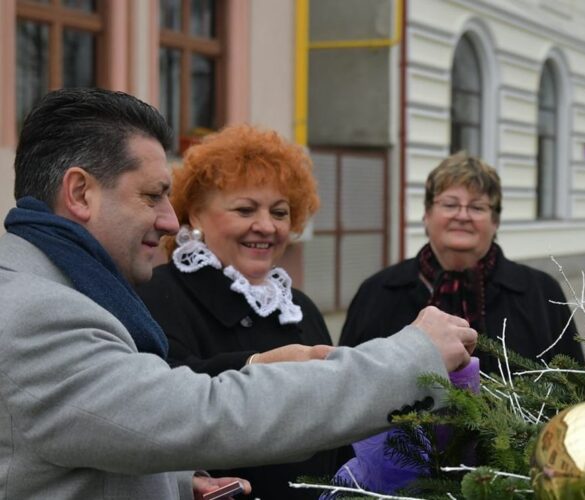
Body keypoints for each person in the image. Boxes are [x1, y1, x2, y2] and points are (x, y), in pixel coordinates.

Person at [0, 87, 477, 499]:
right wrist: (412, 357)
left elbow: (107, 433)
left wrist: (176, 484)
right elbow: (205, 414)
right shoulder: (42, 313)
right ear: (80, 193)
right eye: (151, 196)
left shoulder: (67, 291)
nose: (168, 220)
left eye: (280, 211)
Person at [136, 124, 340, 499]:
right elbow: (160, 407)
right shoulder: (157, 295)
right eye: (245, 209)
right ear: (195, 215)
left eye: (280, 212)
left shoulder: (299, 307)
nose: (266, 226)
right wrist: (257, 365)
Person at [339, 152, 584, 369]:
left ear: (495, 221)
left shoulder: (541, 294)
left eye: (477, 207)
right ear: (427, 214)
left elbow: (573, 392)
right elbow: (349, 383)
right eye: (450, 204)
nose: (462, 216)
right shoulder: (377, 293)